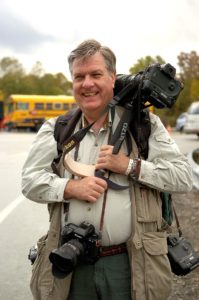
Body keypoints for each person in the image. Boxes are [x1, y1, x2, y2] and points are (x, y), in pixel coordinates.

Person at [22, 39, 192, 300]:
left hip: (130, 264)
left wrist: (130, 166)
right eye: (79, 76)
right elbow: (30, 181)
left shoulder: (144, 125)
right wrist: (69, 187)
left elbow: (183, 177)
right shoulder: (57, 128)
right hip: (70, 263)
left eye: (96, 74)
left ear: (113, 78)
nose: (87, 83)